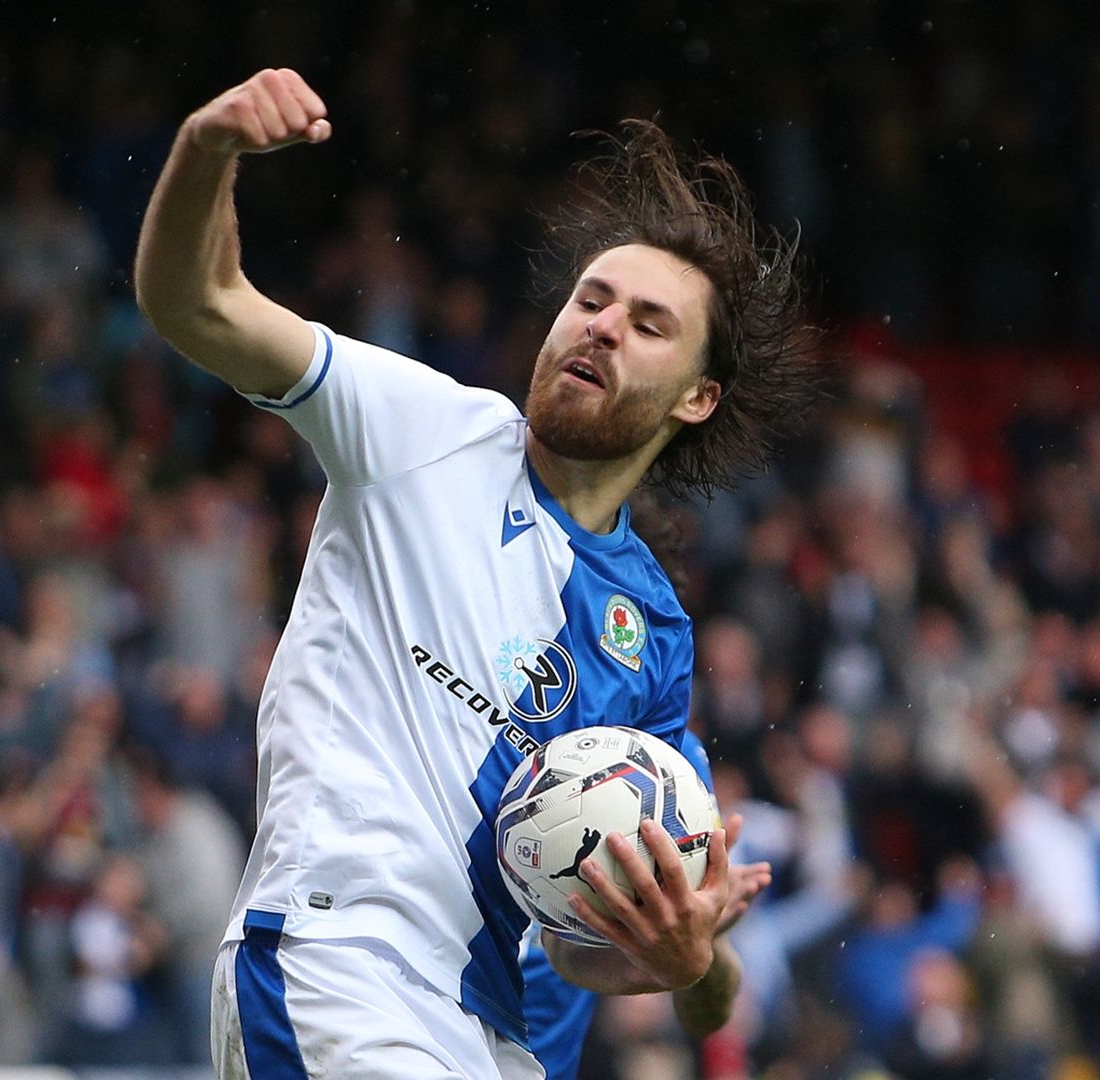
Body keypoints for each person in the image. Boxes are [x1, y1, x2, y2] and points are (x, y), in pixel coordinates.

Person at [136, 68, 812, 1078]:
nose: (602, 324)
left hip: (493, 1041)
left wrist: (689, 952)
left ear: (698, 397)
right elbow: (198, 301)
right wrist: (208, 147)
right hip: (337, 971)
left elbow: (638, 969)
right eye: (592, 298)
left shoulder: (651, 636)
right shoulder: (426, 431)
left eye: (648, 323)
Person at [520, 729, 773, 1080]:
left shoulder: (672, 757)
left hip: (543, 1063)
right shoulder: (460, 718)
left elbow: (707, 1016)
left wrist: (699, 938)